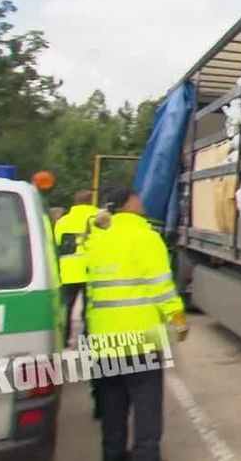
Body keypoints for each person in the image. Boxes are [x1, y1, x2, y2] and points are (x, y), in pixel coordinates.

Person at [86, 187, 188, 461]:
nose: (142, 202)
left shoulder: (97, 240)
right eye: (138, 198)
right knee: (146, 406)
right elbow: (161, 287)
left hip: (104, 339)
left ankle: (113, 454)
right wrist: (178, 320)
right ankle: (145, 456)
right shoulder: (145, 237)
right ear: (128, 203)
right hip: (140, 338)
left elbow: (92, 291)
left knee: (112, 406)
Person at [54, 190, 98, 344]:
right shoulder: (98, 219)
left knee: (67, 306)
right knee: (89, 307)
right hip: (92, 269)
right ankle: (86, 337)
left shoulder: (63, 221)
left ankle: (64, 337)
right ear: (91, 201)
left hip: (68, 269)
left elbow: (57, 243)